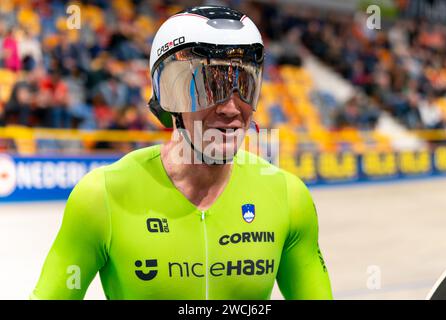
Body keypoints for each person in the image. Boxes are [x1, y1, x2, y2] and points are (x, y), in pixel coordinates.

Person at [31, 6, 332, 300]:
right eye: (209, 87)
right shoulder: (102, 196)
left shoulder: (289, 197)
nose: (230, 108)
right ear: (170, 97)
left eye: (245, 85)